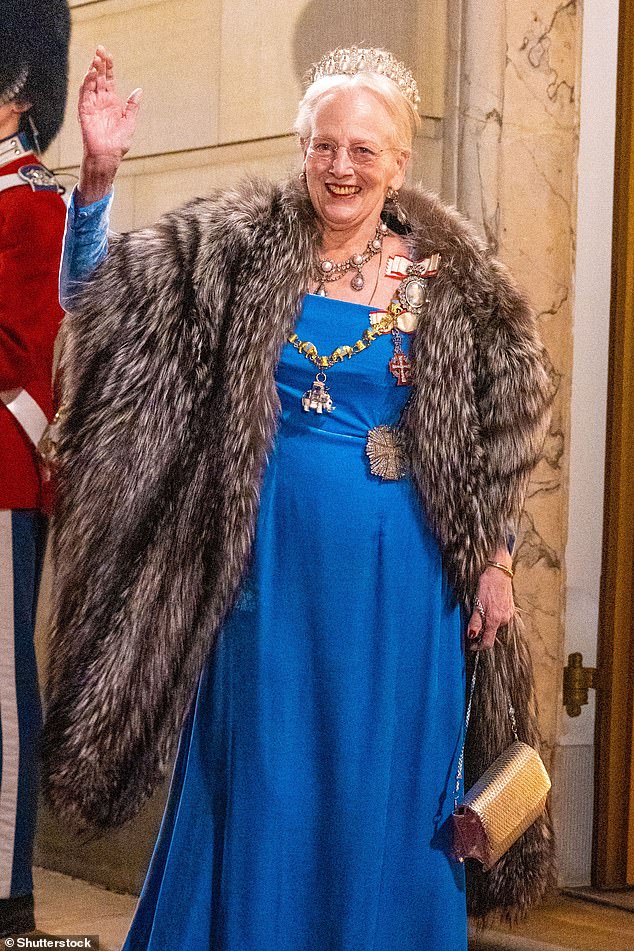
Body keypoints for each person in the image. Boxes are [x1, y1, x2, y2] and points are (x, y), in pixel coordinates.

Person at [44, 45, 554, 949]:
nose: (341, 166)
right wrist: (97, 176)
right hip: (264, 576)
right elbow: (97, 300)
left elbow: (495, 434)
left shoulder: (448, 284)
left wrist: (499, 557)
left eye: (364, 149)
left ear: (399, 161)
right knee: (266, 776)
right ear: (303, 149)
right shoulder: (237, 254)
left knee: (385, 786)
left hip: (402, 589)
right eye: (325, 146)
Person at [0, 0, 70, 938]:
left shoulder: (33, 199)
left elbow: (32, 367)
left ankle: (9, 889)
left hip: (4, 477)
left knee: (3, 697)